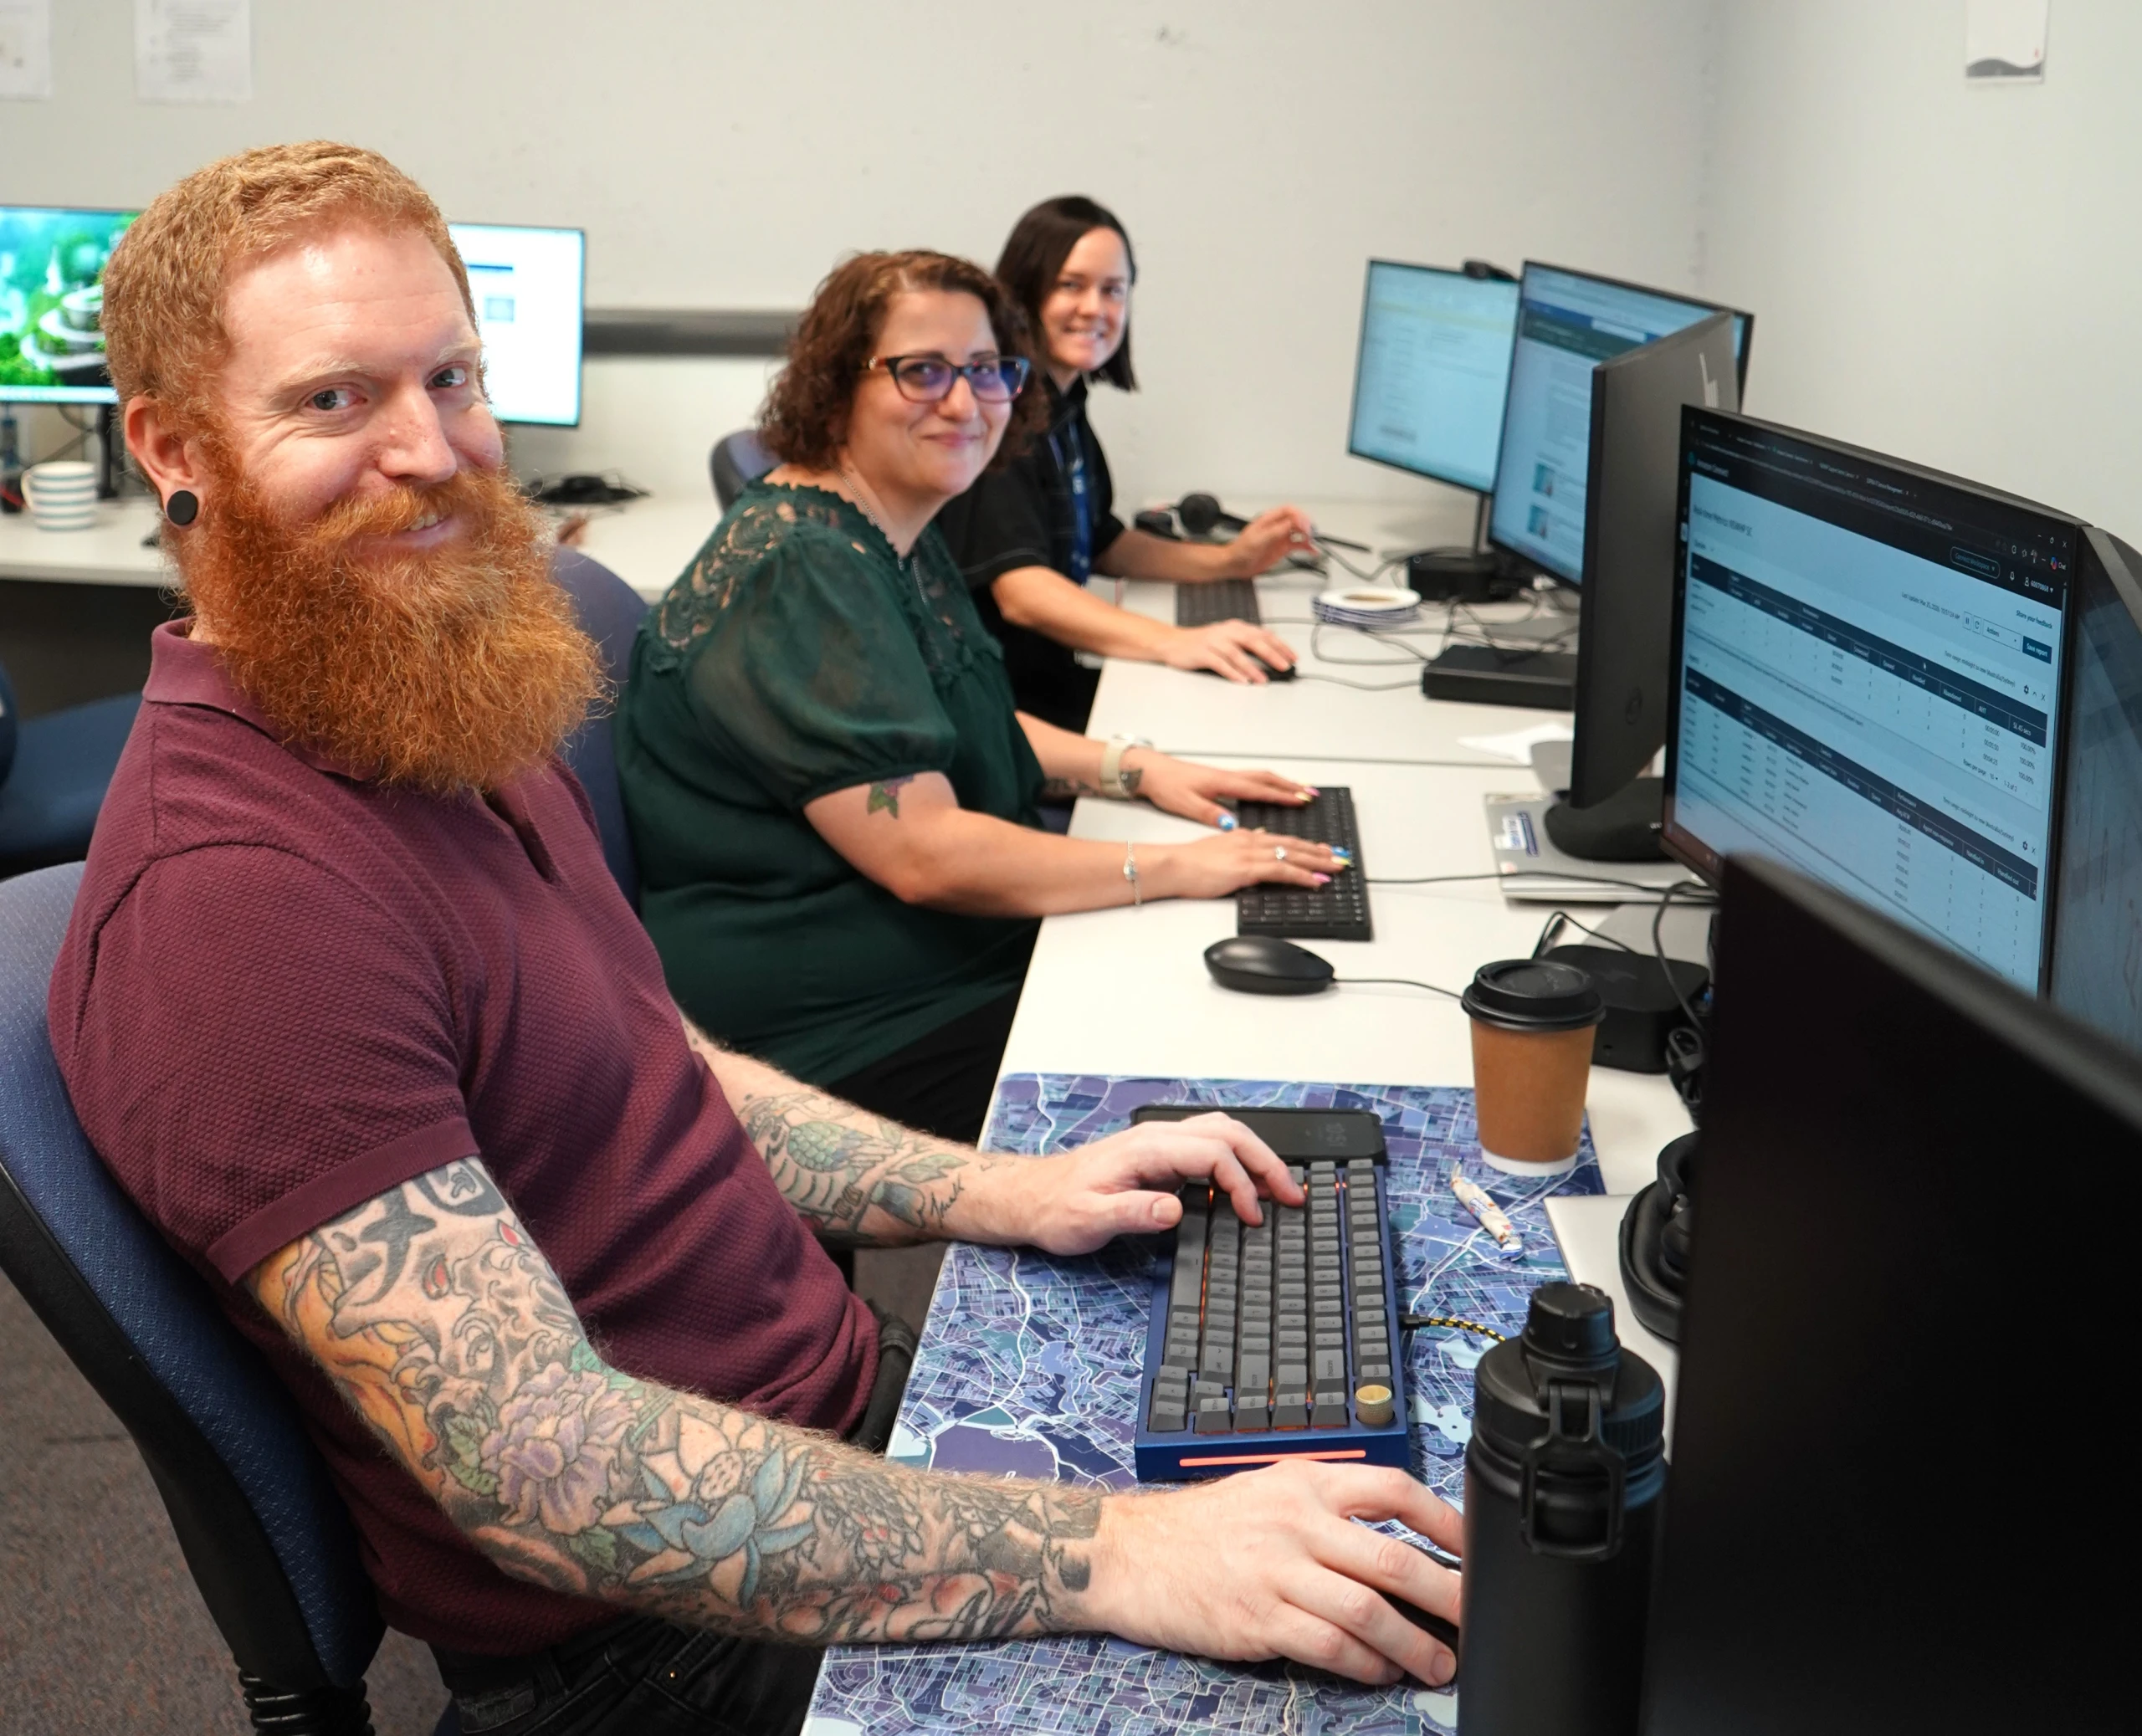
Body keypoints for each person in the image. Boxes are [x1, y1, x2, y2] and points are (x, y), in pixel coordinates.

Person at [49, 143, 1458, 1736]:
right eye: (333, 402)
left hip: (834, 1420)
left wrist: (997, 1190)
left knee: (1409, 1467)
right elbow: (551, 1473)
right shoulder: (241, 905)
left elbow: (656, 1066)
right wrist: (1121, 1551)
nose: (430, 450)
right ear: (172, 445)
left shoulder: (426, 704)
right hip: (664, 1642)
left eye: (452, 377)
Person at [616, 249, 1351, 1145]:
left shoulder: (884, 522)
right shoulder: (804, 567)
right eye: (922, 371)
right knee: (1198, 1074)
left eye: (988, 370)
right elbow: (922, 851)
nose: (965, 404)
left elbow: (950, 721)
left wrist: (1133, 767)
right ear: (835, 383)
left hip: (903, 955)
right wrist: (1172, 869)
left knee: (1195, 1004)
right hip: (818, 1026)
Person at [935, 195, 1320, 730]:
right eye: (1071, 285)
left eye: (1113, 290)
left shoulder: (1061, 403)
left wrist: (1231, 560)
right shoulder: (1001, 412)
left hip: (1050, 685)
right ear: (1024, 293)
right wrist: (1173, 641)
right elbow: (1022, 592)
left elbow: (1102, 541)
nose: (1095, 308)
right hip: (1008, 715)